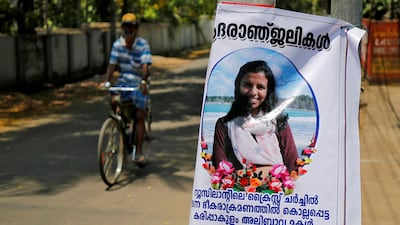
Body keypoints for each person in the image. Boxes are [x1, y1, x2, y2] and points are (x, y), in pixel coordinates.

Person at [212, 60, 299, 175]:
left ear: (268, 91)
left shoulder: (278, 123)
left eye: (260, 87)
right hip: (236, 192)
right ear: (238, 87)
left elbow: (294, 169)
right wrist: (267, 171)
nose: (253, 92)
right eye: (247, 85)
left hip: (278, 191)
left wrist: (250, 174)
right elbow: (219, 172)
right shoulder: (224, 124)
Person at [100, 13, 152, 163]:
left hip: (138, 83)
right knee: (115, 104)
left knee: (140, 115)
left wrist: (143, 81)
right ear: (123, 28)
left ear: (136, 28)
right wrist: (106, 82)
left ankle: (140, 151)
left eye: (132, 26)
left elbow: (145, 65)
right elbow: (112, 64)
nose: (129, 29)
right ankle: (121, 127)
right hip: (123, 82)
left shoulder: (143, 44)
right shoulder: (117, 45)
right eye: (126, 26)